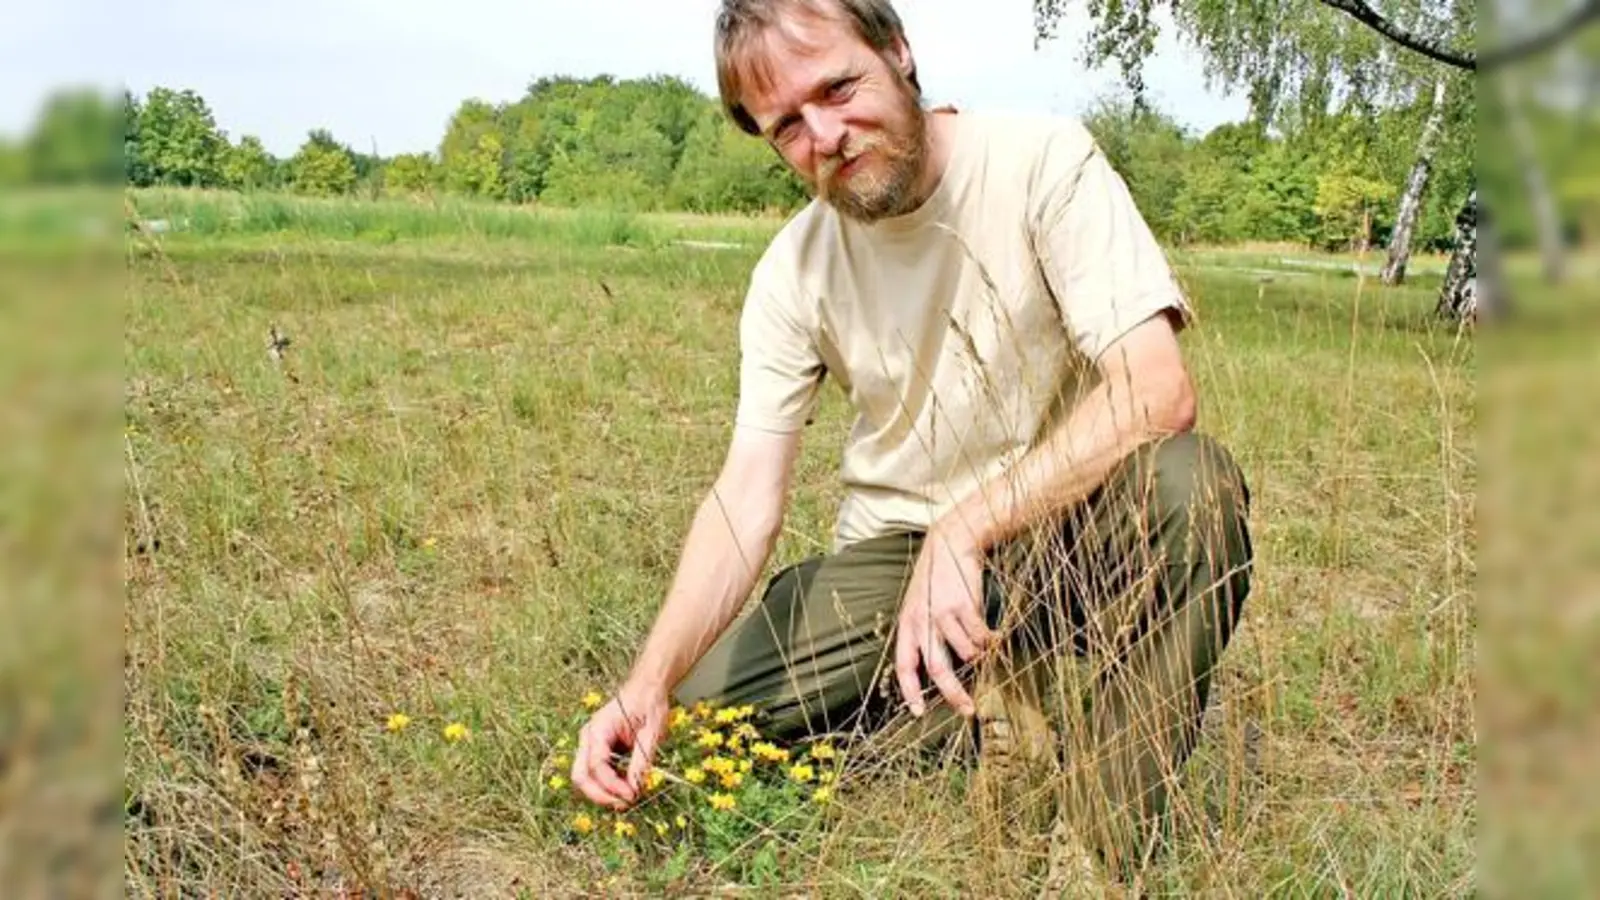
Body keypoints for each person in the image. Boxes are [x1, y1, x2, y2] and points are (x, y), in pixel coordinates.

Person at [569, 0, 1254, 876]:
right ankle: (978, 710)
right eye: (786, 126)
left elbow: (1154, 391)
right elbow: (746, 497)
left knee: (1196, 488)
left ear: (898, 50)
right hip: (890, 564)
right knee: (686, 746)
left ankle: (1094, 847)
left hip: (1064, 528)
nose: (827, 134)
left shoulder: (1044, 161)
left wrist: (964, 528)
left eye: (838, 87)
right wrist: (647, 682)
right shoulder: (792, 269)